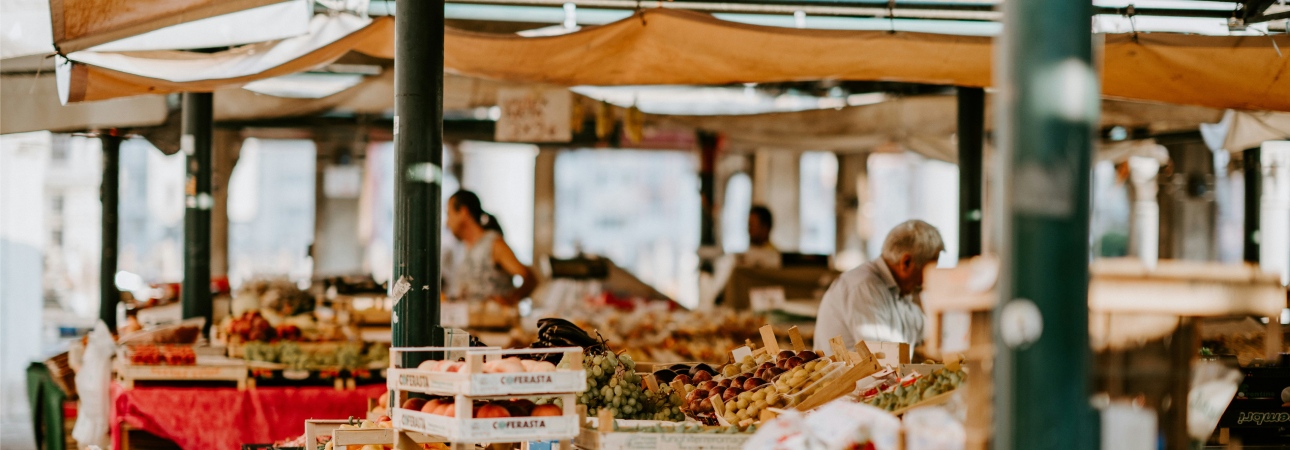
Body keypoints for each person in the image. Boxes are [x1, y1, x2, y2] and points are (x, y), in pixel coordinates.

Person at [813, 219, 945, 352]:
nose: (928, 280)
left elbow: (930, 331)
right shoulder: (864, 287)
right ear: (906, 262)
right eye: (929, 269)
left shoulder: (899, 292)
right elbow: (885, 359)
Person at [445, 190, 538, 305]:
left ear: (463, 212)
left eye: (449, 214)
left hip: (495, 321)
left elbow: (530, 278)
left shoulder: (493, 244)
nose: (447, 223)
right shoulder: (463, 249)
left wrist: (511, 299)